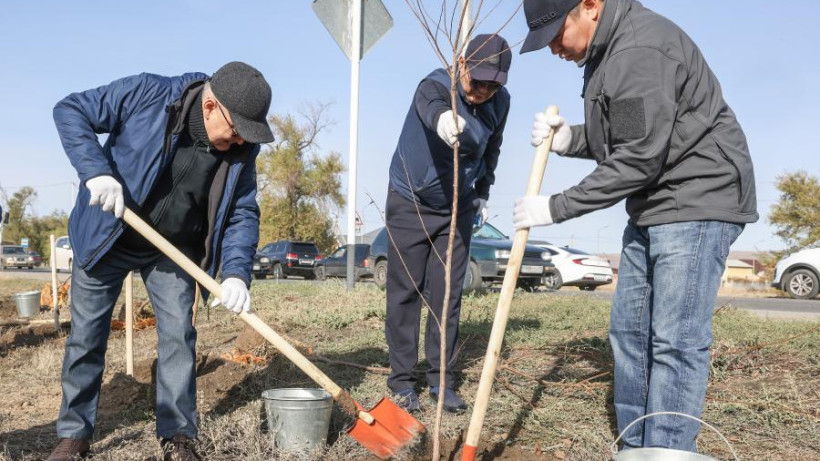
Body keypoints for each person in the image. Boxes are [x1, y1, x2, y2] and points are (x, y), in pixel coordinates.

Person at [515, 0, 758, 452]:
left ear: (589, 6)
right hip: (653, 204)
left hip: (698, 200)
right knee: (629, 332)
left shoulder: (640, 48)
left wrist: (557, 207)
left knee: (675, 342)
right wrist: (574, 139)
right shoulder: (611, 49)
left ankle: (664, 450)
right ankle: (635, 445)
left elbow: (640, 157)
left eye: (555, 34)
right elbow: (630, 132)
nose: (553, 49)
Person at [48, 61, 274, 461]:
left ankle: (178, 436)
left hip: (171, 249)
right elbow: (70, 109)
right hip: (107, 233)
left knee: (178, 337)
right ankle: (74, 435)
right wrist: (95, 171)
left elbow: (242, 211)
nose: (241, 140)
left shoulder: (242, 150)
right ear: (210, 107)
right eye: (236, 128)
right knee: (86, 337)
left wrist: (236, 274)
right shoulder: (147, 95)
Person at [385, 34, 512, 413]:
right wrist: (444, 118)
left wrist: (483, 191)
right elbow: (431, 104)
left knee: (447, 295)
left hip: (458, 208)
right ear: (460, 65)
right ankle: (403, 383)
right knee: (406, 293)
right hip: (411, 201)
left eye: (494, 84)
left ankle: (441, 380)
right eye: (477, 81)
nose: (483, 91)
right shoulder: (435, 85)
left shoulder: (499, 102)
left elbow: (493, 148)